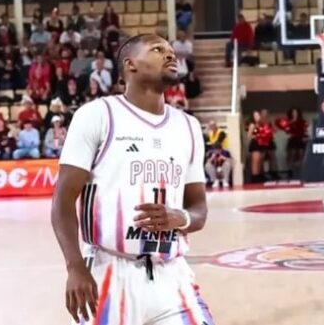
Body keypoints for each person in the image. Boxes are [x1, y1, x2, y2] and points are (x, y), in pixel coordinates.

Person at [50, 34, 212, 325]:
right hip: (109, 271)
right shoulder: (97, 115)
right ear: (130, 65)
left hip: (171, 274)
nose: (170, 55)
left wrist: (180, 218)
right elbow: (62, 201)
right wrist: (75, 267)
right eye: (158, 49)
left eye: (172, 51)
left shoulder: (189, 126)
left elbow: (199, 210)